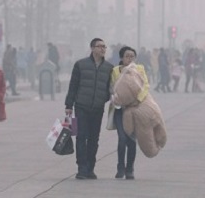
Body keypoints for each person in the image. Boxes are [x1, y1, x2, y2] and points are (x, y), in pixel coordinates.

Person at [64, 38, 114, 180]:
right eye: (99, 46)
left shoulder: (109, 68)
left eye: (104, 46)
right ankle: (81, 168)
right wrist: (69, 105)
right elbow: (73, 86)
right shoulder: (80, 65)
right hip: (81, 107)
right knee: (81, 137)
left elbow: (109, 88)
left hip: (98, 108)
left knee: (94, 139)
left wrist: (104, 99)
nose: (103, 49)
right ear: (92, 48)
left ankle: (91, 167)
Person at [109, 46, 149, 180]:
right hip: (120, 110)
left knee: (132, 140)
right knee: (122, 138)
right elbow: (113, 87)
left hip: (134, 110)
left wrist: (138, 99)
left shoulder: (140, 69)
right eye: (127, 56)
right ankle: (120, 166)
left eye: (132, 56)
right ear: (121, 58)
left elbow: (145, 86)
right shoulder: (115, 71)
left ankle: (130, 168)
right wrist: (116, 98)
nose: (130, 58)